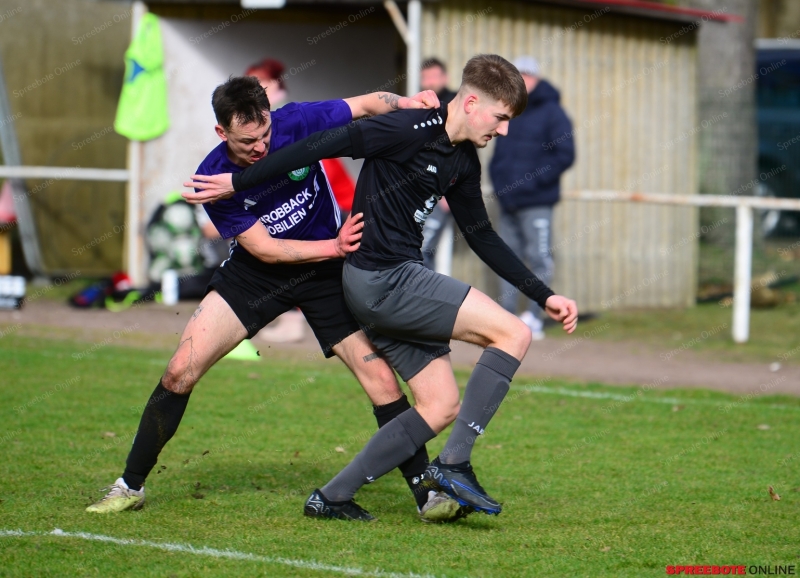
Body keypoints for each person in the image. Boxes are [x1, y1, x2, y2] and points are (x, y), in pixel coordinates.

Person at [186, 54, 579, 522]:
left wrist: (545, 294)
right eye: (501, 118)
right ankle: (454, 464)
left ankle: (331, 497)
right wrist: (239, 180)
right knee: (514, 334)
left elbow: (481, 235)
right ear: (472, 102)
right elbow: (317, 146)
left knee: (441, 405)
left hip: (389, 284)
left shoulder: (463, 161)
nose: (505, 130)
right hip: (383, 278)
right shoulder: (405, 127)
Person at [86, 76, 460, 521]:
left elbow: (364, 103)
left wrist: (406, 101)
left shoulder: (295, 121)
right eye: (248, 142)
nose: (261, 147)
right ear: (221, 133)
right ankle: (130, 485)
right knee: (179, 370)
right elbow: (264, 247)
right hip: (257, 273)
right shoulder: (212, 177)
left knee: (380, 382)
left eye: (265, 134)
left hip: (325, 276)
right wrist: (334, 246)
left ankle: (427, 495)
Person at [489, 56, 575, 340]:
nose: (521, 80)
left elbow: (565, 155)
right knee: (506, 259)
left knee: (539, 258)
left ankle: (535, 317)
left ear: (535, 78)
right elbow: (499, 154)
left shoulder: (553, 112)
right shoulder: (510, 110)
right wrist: (501, 184)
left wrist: (532, 183)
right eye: (517, 75)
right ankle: (508, 319)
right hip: (508, 202)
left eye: (525, 74)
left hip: (537, 202)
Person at [419, 58, 456, 270]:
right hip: (419, 188)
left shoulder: (454, 107)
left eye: (434, 76)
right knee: (418, 250)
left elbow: (461, 152)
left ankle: (429, 299)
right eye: (426, 77)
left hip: (440, 191)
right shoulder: (418, 106)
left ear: (445, 78)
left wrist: (448, 189)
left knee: (424, 251)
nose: (430, 82)